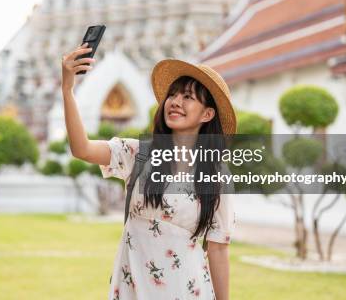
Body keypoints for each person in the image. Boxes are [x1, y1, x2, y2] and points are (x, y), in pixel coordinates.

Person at [61, 43, 237, 300]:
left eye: (188, 97)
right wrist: (67, 90)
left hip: (188, 290)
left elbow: (218, 249)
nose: (175, 102)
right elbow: (82, 149)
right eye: (173, 95)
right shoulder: (138, 154)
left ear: (207, 113)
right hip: (132, 288)